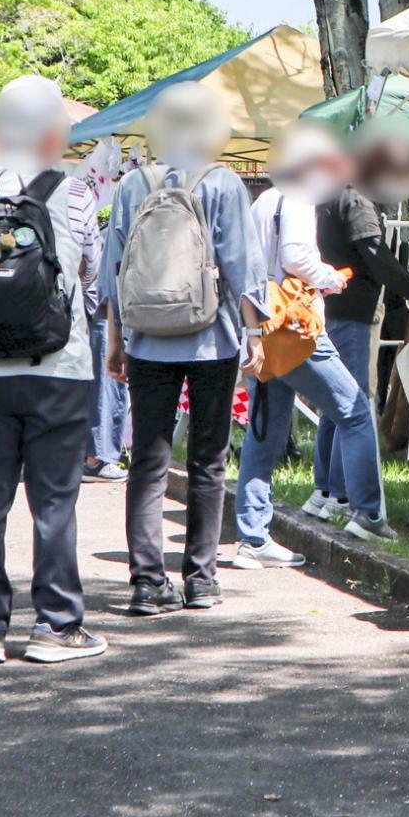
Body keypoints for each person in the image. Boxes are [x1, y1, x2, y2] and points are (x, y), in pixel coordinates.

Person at [0, 76, 107, 664]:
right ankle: (56, 626)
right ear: (49, 129)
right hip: (57, 363)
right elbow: (86, 272)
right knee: (54, 500)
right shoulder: (75, 189)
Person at [102, 82, 267, 614]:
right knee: (208, 460)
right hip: (212, 338)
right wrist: (255, 335)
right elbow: (243, 268)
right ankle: (200, 578)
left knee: (148, 462)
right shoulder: (223, 183)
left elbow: (114, 272)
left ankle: (147, 583)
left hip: (148, 338)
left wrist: (115, 340)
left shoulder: (132, 184)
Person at [236, 122, 394, 564]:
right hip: (299, 330)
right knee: (355, 411)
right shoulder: (300, 199)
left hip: (263, 330)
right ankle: (367, 513)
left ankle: (252, 535)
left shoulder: (264, 199)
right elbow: (296, 256)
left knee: (264, 434)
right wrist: (330, 278)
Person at [302, 119, 409, 521]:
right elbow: (382, 262)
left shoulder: (331, 198)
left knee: (333, 404)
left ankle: (324, 491)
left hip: (333, 310)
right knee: (354, 405)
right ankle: (344, 496)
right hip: (352, 315)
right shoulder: (357, 203)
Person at [80, 168, 129, 484]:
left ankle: (92, 453)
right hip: (102, 303)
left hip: (78, 304)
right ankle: (98, 456)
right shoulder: (79, 195)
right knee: (107, 382)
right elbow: (91, 259)